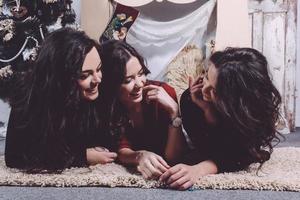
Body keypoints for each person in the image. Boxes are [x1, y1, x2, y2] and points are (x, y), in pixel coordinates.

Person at [159, 47, 282, 190]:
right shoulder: (192, 99)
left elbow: (241, 156)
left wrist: (200, 169)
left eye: (215, 90)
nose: (204, 90)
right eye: (206, 77)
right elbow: (206, 151)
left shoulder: (252, 114)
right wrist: (207, 111)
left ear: (235, 97)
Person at [5, 28, 117, 172]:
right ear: (63, 78)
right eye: (84, 75)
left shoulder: (97, 91)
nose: (97, 79)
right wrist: (81, 157)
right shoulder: (27, 96)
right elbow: (15, 157)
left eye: (99, 69)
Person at [100, 40, 186, 180]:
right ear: (112, 83)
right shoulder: (109, 105)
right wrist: (139, 156)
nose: (140, 84)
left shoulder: (164, 93)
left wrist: (174, 112)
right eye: (128, 80)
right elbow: (121, 149)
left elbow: (173, 157)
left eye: (141, 73)